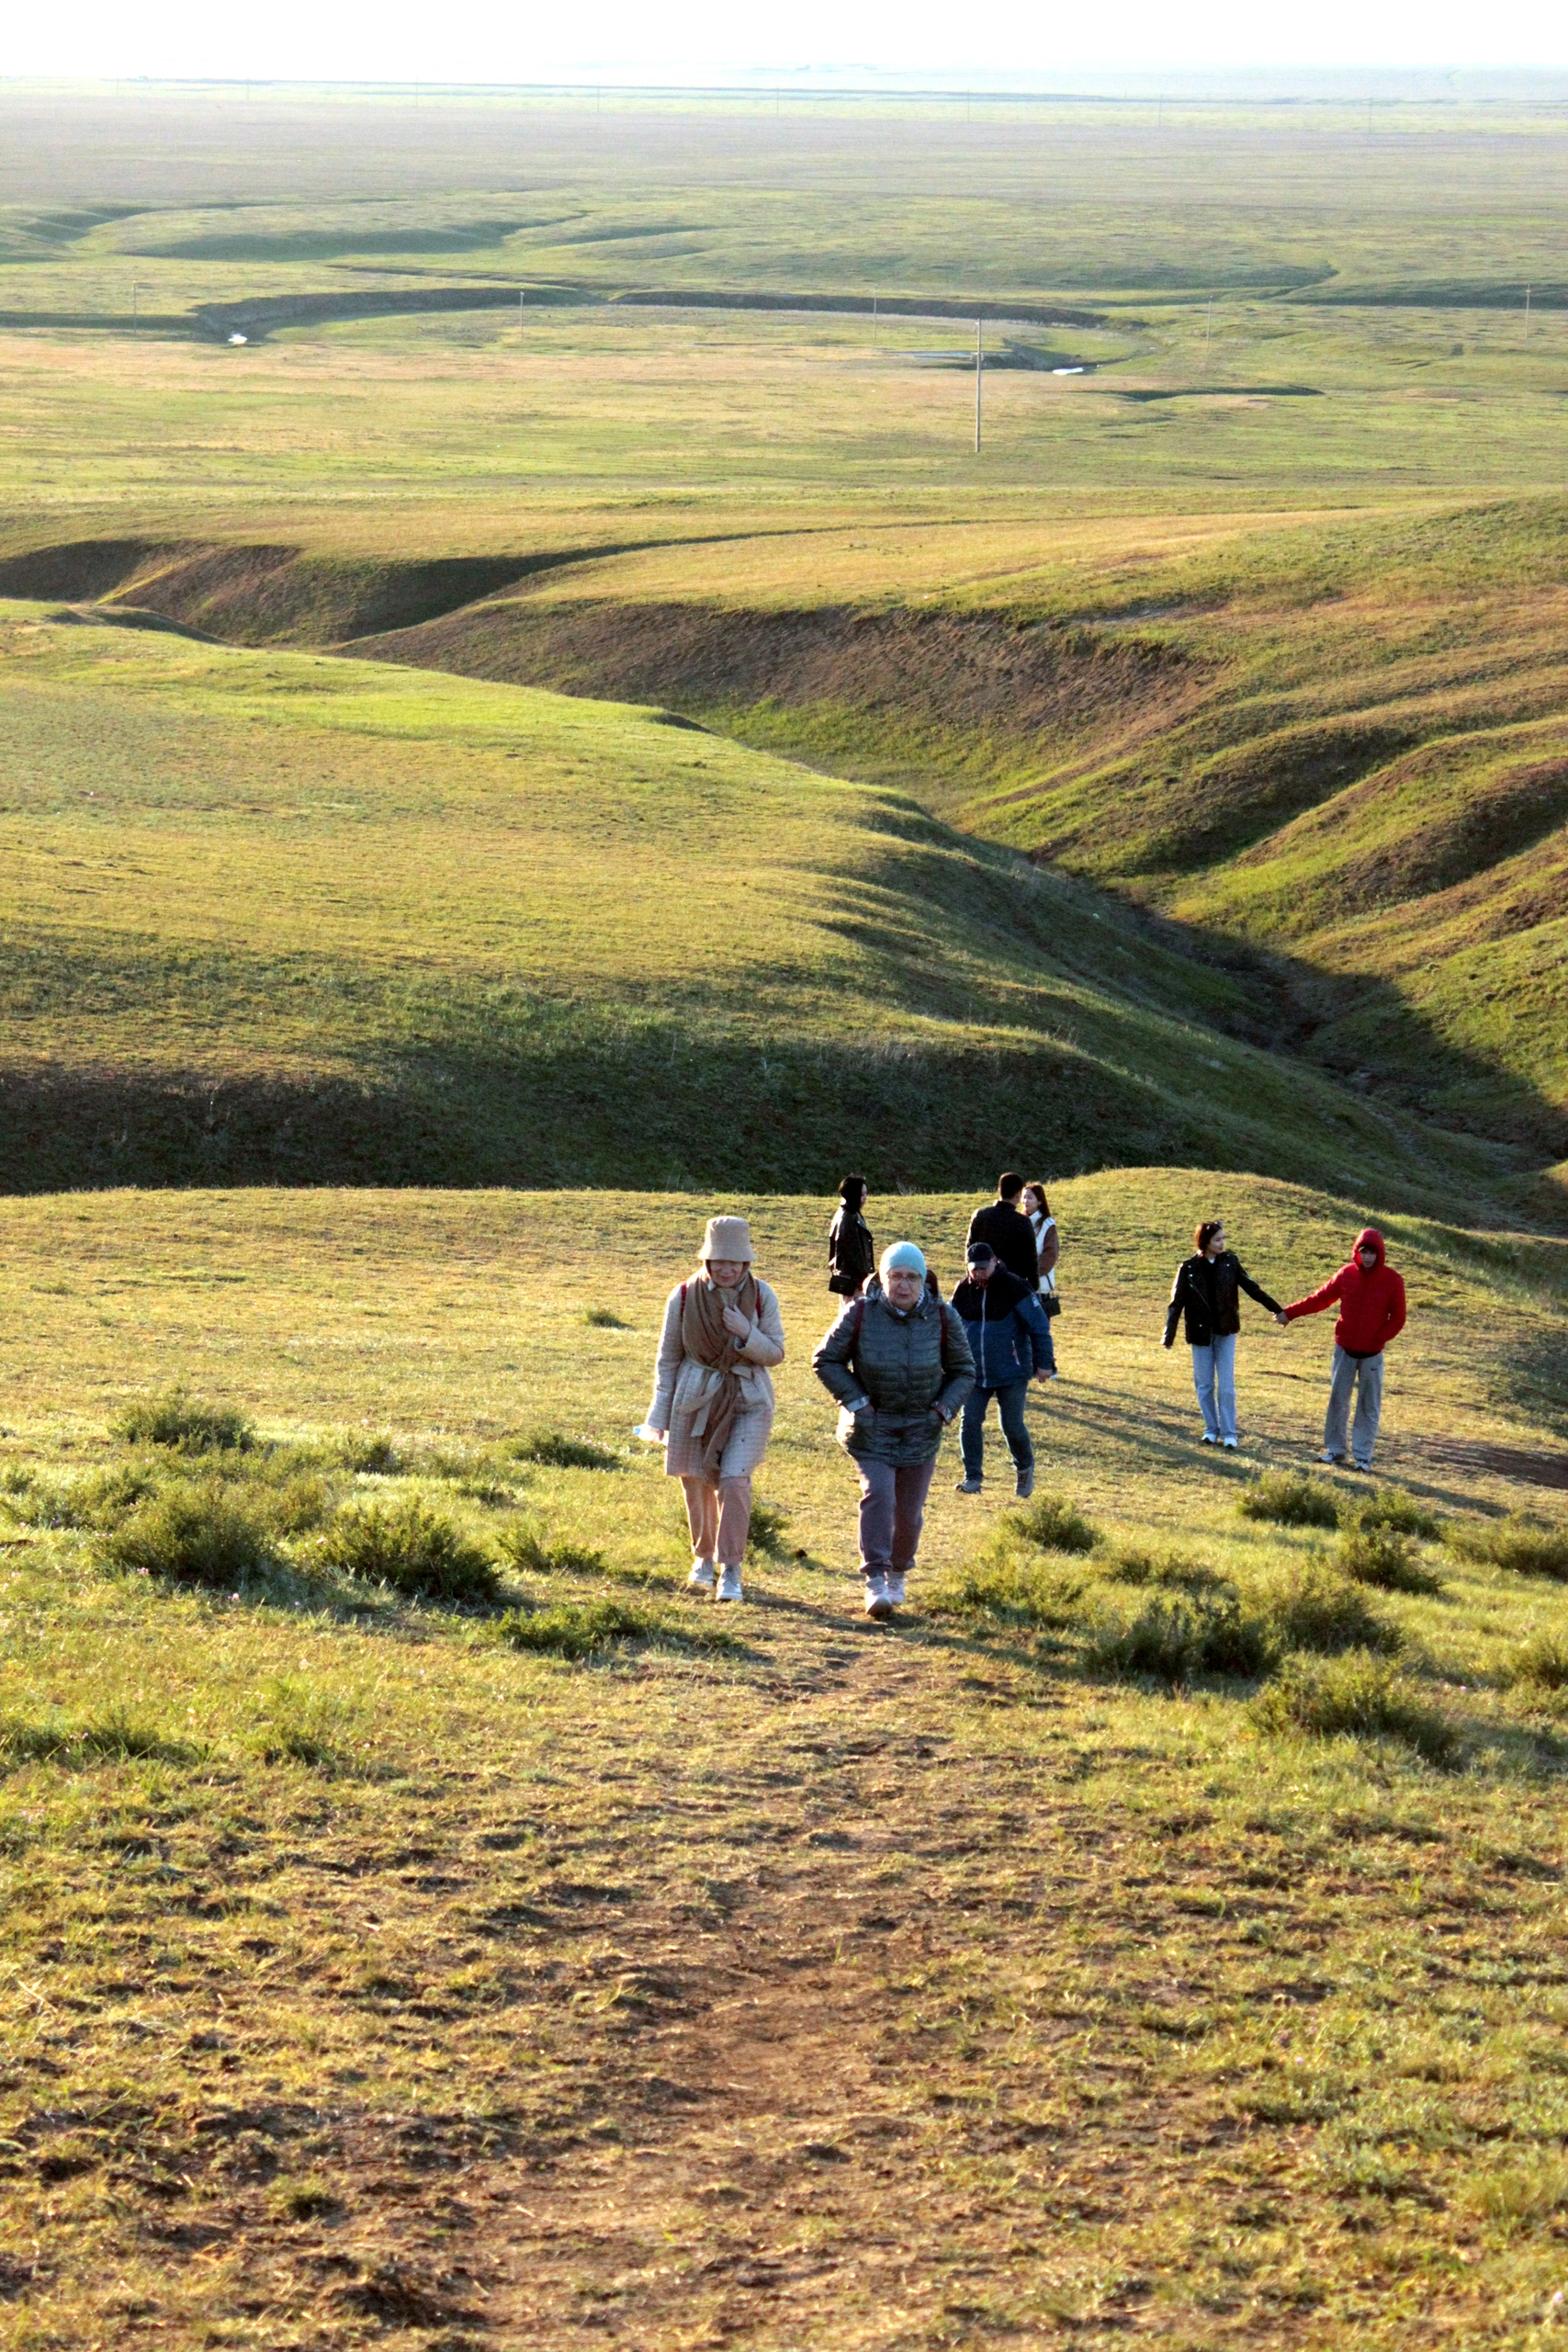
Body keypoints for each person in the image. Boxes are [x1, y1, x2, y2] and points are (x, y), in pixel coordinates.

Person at [813, 1241, 975, 1622]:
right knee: (879, 1497)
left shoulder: (943, 1316)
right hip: (872, 1428)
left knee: (909, 1514)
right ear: (882, 1279)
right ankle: (875, 1580)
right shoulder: (860, 1313)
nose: (904, 1285)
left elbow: (964, 1371)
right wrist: (858, 1403)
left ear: (924, 1280)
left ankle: (898, 1572)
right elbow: (826, 1360)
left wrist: (941, 1410)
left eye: (912, 1277)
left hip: (921, 1430)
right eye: (896, 1276)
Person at [643, 1215, 785, 1602]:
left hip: (748, 1397)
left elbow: (775, 1353)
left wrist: (746, 1332)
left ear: (746, 1262)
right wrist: (658, 1414)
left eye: (734, 1262)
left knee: (735, 1481)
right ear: (707, 1259)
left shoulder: (762, 1296)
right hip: (695, 1395)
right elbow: (668, 1359)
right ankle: (703, 1559)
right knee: (694, 1480)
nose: (726, 1269)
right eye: (719, 1260)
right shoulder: (683, 1296)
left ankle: (731, 1569)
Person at [1279, 1227, 1407, 1472]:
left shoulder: (1393, 1280)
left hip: (1372, 1354)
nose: (1367, 1257)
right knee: (1338, 1400)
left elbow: (1398, 1318)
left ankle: (1363, 1457)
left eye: (1372, 1253)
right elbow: (1321, 1299)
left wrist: (1379, 1338)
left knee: (1368, 1406)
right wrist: (1290, 1313)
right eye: (1364, 1252)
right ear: (1357, 1252)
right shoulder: (1346, 1274)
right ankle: (1335, 1450)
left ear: (1380, 1254)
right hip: (1344, 1350)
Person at [1163, 1219, 1283, 1450]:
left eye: (1223, 1239)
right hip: (1200, 1335)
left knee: (1226, 1386)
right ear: (1205, 1241)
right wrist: (1169, 1335)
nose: (1222, 1243)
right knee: (1204, 1385)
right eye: (1217, 1239)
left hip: (1226, 1332)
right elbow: (1176, 1304)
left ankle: (1229, 1433)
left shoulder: (1230, 1262)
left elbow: (1252, 1288)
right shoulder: (1188, 1268)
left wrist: (1277, 1309)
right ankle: (1211, 1430)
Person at [950, 1242, 1054, 1498]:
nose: (978, 1273)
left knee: (1012, 1425)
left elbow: (1039, 1327)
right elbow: (949, 1328)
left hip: (1012, 1372)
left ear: (995, 1262)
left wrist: (1044, 1363)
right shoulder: (962, 1291)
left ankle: (1024, 1469)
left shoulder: (1016, 1287)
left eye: (983, 1268)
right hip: (975, 1373)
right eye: (974, 1269)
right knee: (969, 1422)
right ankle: (972, 1478)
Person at [966, 1173, 1039, 1290]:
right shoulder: (1023, 1222)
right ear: (1019, 1194)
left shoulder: (980, 1216)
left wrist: (971, 1277)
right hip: (1012, 1286)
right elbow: (1030, 1260)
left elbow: (970, 1250)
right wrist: (1034, 1286)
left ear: (999, 1190)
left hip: (983, 1282)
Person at [1021, 1180, 1060, 1377]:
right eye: (1023, 1197)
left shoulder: (1047, 1224)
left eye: (1030, 1197)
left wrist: (1031, 1272)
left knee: (1040, 1328)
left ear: (1040, 1201)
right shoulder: (1020, 1221)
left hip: (1039, 1284)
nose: (1025, 1201)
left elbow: (1050, 1255)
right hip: (1021, 1282)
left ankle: (1049, 1366)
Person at [827, 1175, 875, 1297]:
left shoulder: (846, 1213)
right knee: (855, 1308)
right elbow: (853, 1253)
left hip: (848, 1279)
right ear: (854, 1194)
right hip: (852, 1282)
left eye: (865, 1194)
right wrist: (863, 1281)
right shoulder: (849, 1217)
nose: (865, 1198)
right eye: (862, 1194)